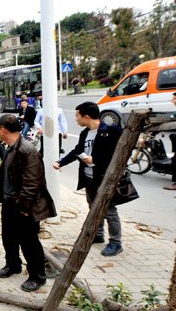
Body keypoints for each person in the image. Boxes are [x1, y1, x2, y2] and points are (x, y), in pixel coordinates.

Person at [0, 115, 56, 292]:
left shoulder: (27, 150)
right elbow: (13, 171)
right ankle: (13, 265)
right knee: (8, 237)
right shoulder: (11, 148)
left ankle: (38, 277)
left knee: (29, 242)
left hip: (25, 206)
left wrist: (24, 209)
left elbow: (32, 183)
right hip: (10, 203)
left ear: (3, 130)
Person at [52, 102, 124, 256]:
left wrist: (96, 159)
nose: (76, 119)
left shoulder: (111, 131)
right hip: (89, 178)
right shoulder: (85, 133)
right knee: (93, 207)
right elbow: (77, 151)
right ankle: (98, 235)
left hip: (105, 178)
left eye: (77, 116)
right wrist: (61, 162)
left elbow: (119, 155)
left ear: (86, 116)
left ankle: (116, 243)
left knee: (109, 210)